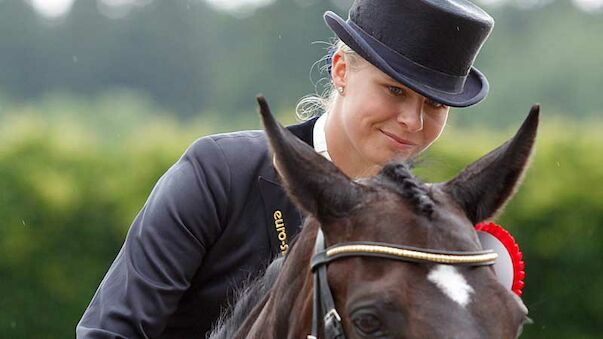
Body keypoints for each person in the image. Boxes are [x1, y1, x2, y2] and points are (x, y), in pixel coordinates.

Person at [77, 0, 495, 337]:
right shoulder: (219, 174)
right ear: (341, 70)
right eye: (394, 90)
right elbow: (110, 331)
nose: (413, 121)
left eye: (435, 104)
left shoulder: (421, 232)